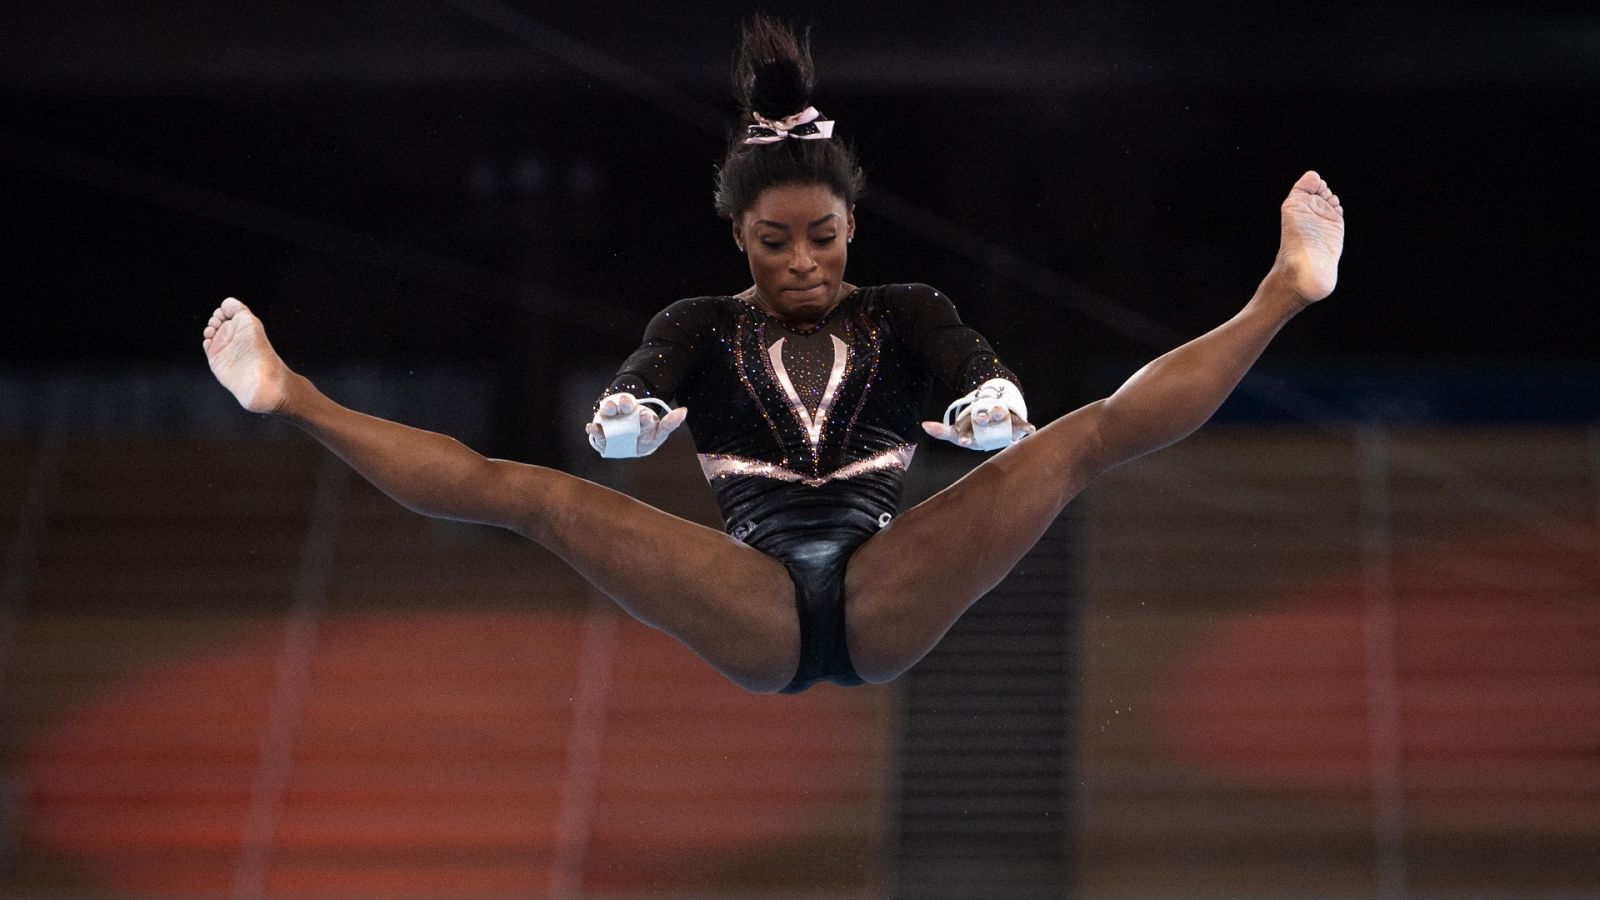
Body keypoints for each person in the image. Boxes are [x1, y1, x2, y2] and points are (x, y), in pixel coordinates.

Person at [201, 18, 1344, 695]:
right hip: (751, 596)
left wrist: (991, 406)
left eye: (822, 237)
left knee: (1080, 439)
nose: (800, 262)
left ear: (852, 229)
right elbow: (642, 383)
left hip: (885, 583)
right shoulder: (702, 322)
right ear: (738, 237)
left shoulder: (902, 306)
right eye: (773, 241)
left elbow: (965, 364)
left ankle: (1282, 292)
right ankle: (291, 394)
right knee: (532, 497)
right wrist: (630, 419)